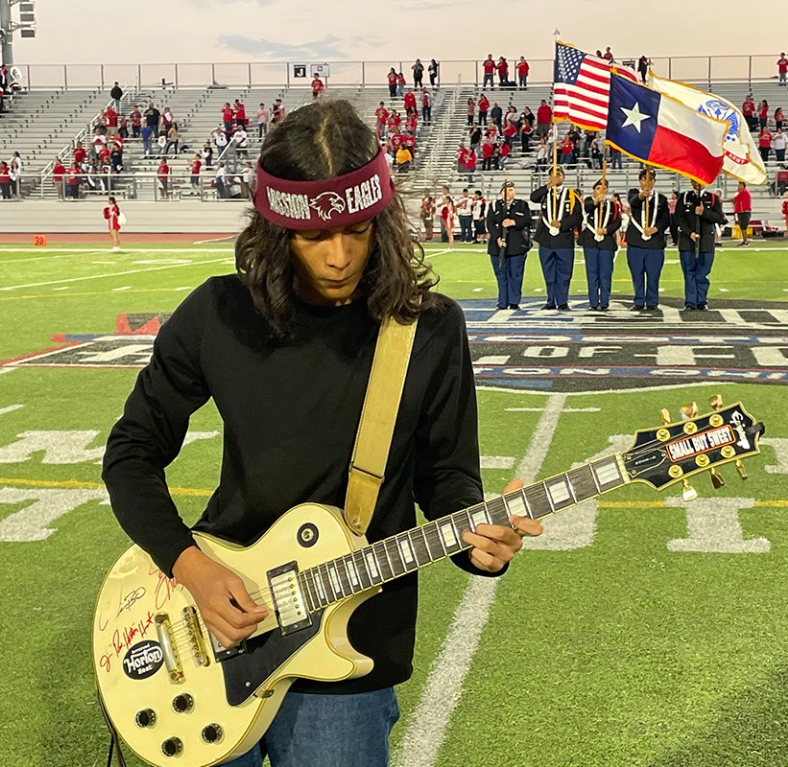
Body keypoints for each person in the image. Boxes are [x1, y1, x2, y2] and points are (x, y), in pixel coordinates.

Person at [102, 98, 540, 767]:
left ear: (383, 221)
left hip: (353, 646)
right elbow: (130, 452)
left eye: (359, 230)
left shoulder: (429, 327)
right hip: (219, 623)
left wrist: (480, 539)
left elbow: (447, 477)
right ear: (277, 232)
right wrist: (191, 569)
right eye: (314, 236)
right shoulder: (218, 314)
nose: (339, 255)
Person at [531, 167, 581, 310]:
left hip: (564, 239)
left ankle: (563, 301)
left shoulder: (571, 195)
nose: (555, 177)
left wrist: (562, 224)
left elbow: (578, 217)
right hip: (546, 239)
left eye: (558, 175)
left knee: (564, 272)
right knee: (548, 272)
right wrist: (548, 186)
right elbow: (533, 197)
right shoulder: (545, 193)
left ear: (563, 177)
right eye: (551, 175)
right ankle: (550, 300)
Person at [625, 168, 671, 311]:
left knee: (653, 275)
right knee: (637, 274)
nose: (647, 182)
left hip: (655, 243)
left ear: (654, 182)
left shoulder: (661, 199)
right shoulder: (633, 193)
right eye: (644, 179)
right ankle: (639, 301)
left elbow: (666, 220)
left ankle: (652, 302)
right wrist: (641, 196)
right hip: (636, 243)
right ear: (640, 181)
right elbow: (633, 202)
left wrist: (655, 229)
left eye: (650, 179)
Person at [676, 180, 726, 309]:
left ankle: (702, 301)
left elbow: (720, 218)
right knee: (689, 272)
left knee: (702, 272)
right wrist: (689, 233)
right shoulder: (685, 197)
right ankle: (690, 302)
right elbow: (678, 218)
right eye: (694, 180)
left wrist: (704, 213)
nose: (697, 183)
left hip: (706, 241)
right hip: (688, 241)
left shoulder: (713, 199)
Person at [486, 180, 532, 310]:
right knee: (501, 274)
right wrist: (497, 238)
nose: (509, 192)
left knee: (515, 275)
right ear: (501, 193)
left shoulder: (522, 205)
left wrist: (514, 222)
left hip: (516, 246)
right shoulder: (494, 205)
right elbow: (489, 223)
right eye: (506, 190)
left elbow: (528, 220)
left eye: (511, 190)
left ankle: (514, 301)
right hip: (497, 247)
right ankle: (502, 302)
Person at [578, 181, 621, 311]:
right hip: (590, 242)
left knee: (605, 273)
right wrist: (597, 201)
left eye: (604, 188)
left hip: (606, 242)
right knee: (592, 273)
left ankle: (604, 302)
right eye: (598, 188)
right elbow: (588, 208)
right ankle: (593, 302)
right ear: (594, 190)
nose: (601, 191)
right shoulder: (588, 202)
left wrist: (607, 230)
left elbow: (617, 221)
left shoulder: (612, 206)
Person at [732, 181, 752, 246]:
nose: (738, 187)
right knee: (742, 227)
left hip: (744, 212)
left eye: (739, 185)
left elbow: (735, 199)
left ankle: (745, 241)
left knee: (743, 227)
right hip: (741, 212)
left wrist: (723, 200)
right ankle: (744, 240)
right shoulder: (743, 193)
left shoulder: (744, 192)